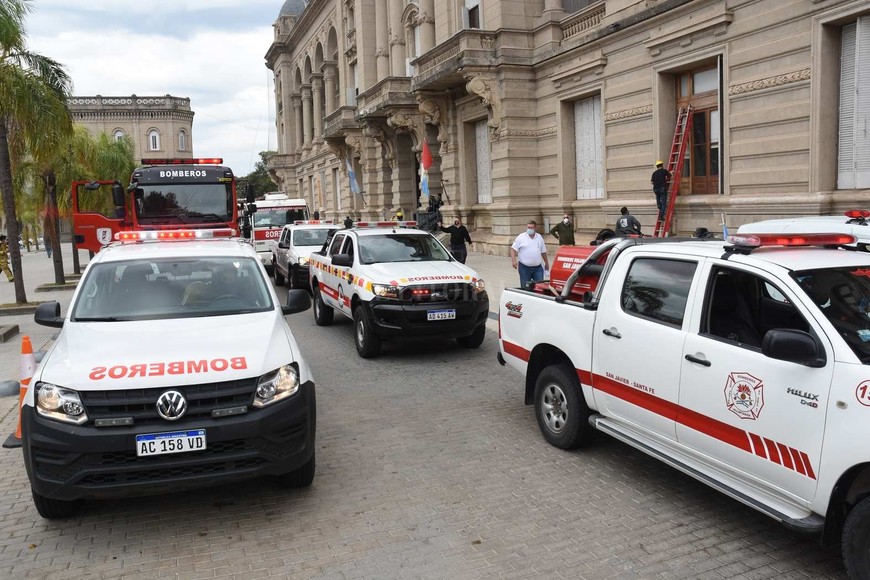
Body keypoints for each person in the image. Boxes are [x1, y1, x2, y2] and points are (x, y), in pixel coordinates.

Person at [511, 220, 549, 288]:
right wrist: (513, 261)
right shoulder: (521, 237)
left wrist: (546, 262)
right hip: (524, 268)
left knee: (540, 287)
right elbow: (513, 249)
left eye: (531, 228)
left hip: (538, 268)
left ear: (535, 228)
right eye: (528, 227)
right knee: (525, 287)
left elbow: (543, 251)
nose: (530, 229)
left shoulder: (539, 237)